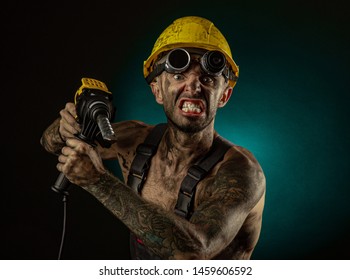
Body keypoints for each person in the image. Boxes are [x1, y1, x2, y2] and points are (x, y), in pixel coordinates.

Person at [40, 16, 266, 260]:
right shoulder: (134, 141)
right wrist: (65, 128)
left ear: (224, 96)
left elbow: (193, 254)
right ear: (157, 90)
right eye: (179, 76)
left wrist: (99, 181)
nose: (193, 86)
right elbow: (52, 144)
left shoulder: (241, 173)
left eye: (207, 78)